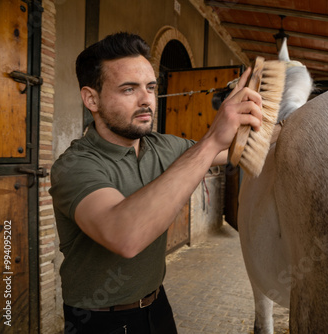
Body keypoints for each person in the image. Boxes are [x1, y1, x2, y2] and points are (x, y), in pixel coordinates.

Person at [49, 32, 262, 333]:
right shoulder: (74, 167)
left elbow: (235, 151)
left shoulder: (163, 146)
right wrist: (211, 139)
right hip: (98, 319)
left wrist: (276, 119)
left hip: (157, 306)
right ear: (91, 99)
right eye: (128, 90)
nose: (146, 99)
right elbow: (125, 236)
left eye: (150, 87)